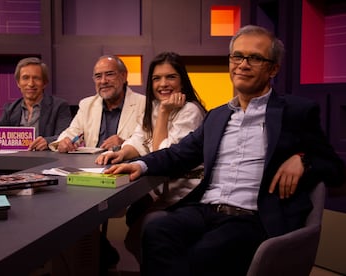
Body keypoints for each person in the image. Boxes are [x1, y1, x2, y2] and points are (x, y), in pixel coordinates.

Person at [104, 25, 346, 275]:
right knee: (157, 231)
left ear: (273, 68)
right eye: (237, 56)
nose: (243, 64)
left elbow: (336, 170)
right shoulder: (218, 116)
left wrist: (303, 160)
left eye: (254, 58)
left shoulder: (296, 111)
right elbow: (179, 154)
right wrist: (141, 164)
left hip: (252, 216)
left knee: (204, 254)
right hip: (205, 209)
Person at [95, 52, 206, 261]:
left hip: (186, 194)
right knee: (136, 229)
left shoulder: (190, 110)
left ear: (182, 80)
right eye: (157, 78)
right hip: (162, 191)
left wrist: (164, 113)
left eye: (170, 77)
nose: (163, 84)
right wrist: (119, 154)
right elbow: (139, 139)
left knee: (141, 236)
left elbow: (163, 157)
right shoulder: (154, 106)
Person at [49, 55, 146, 152]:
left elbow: (150, 143)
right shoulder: (86, 105)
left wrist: (124, 143)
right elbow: (72, 132)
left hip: (128, 164)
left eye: (110, 74)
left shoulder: (144, 104)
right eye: (98, 76)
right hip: (92, 165)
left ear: (124, 76)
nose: (103, 81)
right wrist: (65, 141)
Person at [0, 57, 71, 151]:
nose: (31, 84)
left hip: (46, 161)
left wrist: (47, 142)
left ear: (45, 83)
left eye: (36, 78)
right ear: (18, 83)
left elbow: (66, 137)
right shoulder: (11, 109)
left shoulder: (59, 106)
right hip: (16, 160)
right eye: (25, 78)